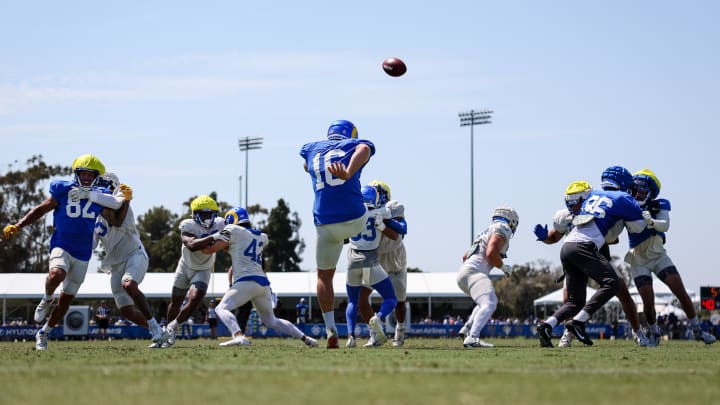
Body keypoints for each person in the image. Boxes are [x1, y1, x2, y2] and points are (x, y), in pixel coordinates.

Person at [2, 154, 128, 350]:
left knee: (65, 301)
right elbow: (41, 209)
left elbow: (116, 221)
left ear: (96, 177)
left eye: (90, 175)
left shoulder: (100, 194)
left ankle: (44, 333)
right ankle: (46, 297)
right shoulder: (62, 189)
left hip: (83, 253)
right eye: (83, 174)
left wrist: (126, 200)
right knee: (57, 273)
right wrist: (18, 225)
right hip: (62, 244)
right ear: (76, 174)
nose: (86, 178)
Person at [533, 169, 648, 347]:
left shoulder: (595, 198)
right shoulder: (620, 199)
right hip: (585, 248)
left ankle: (547, 325)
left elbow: (610, 236)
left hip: (570, 248)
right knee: (612, 283)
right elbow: (637, 229)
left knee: (575, 301)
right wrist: (644, 216)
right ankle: (577, 323)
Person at [299, 119, 375, 348]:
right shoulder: (355, 143)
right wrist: (349, 171)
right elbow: (365, 148)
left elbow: (305, 165)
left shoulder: (312, 148)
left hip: (325, 223)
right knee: (369, 207)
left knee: (324, 276)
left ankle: (331, 329)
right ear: (350, 134)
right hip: (355, 219)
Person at [202, 207, 317, 348]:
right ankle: (306, 338)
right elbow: (236, 246)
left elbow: (211, 247)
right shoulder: (261, 236)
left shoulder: (233, 230)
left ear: (231, 220)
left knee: (221, 309)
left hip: (246, 281)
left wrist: (209, 235)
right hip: (262, 283)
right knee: (271, 320)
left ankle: (238, 335)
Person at [625, 169, 716, 345]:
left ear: (650, 191)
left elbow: (664, 225)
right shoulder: (627, 205)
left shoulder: (659, 204)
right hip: (638, 259)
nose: (638, 193)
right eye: (636, 190)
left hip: (658, 256)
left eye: (642, 190)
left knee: (680, 291)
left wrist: (651, 221)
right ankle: (653, 332)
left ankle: (697, 330)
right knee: (648, 301)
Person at [93, 172, 166, 346]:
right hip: (115, 264)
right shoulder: (94, 213)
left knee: (129, 284)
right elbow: (92, 244)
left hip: (135, 254)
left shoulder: (122, 205)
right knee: (126, 311)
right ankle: (160, 331)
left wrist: (125, 200)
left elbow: (116, 221)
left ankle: (156, 328)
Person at [161, 195, 225, 348]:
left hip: (203, 268)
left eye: (209, 214)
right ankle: (166, 335)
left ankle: (173, 326)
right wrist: (214, 236)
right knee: (175, 302)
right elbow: (191, 245)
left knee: (195, 299)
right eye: (203, 214)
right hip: (185, 267)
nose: (207, 217)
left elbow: (235, 230)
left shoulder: (221, 223)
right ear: (194, 214)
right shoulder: (188, 225)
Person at [456, 206, 519, 348]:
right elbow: (491, 254)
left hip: (463, 273)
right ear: (512, 221)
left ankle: (466, 329)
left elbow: (465, 256)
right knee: (490, 303)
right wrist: (503, 267)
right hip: (474, 272)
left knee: (483, 302)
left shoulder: (485, 231)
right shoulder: (502, 227)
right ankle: (472, 337)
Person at [344, 185, 397, 348]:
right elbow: (395, 229)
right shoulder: (382, 212)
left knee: (353, 301)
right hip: (370, 261)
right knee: (391, 298)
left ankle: (351, 337)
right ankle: (378, 318)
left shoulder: (351, 213)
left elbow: (343, 237)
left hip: (352, 262)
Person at [359, 180, 409, 347]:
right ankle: (375, 334)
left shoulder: (393, 207)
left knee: (399, 300)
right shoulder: (362, 208)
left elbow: (400, 230)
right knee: (361, 297)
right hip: (374, 257)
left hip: (394, 257)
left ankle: (400, 330)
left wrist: (384, 223)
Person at [227, 265, 253, 335]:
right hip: (239, 289)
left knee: (246, 312)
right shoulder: (238, 260)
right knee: (239, 313)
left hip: (248, 290)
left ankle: (242, 334)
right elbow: (230, 270)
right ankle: (237, 333)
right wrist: (230, 284)